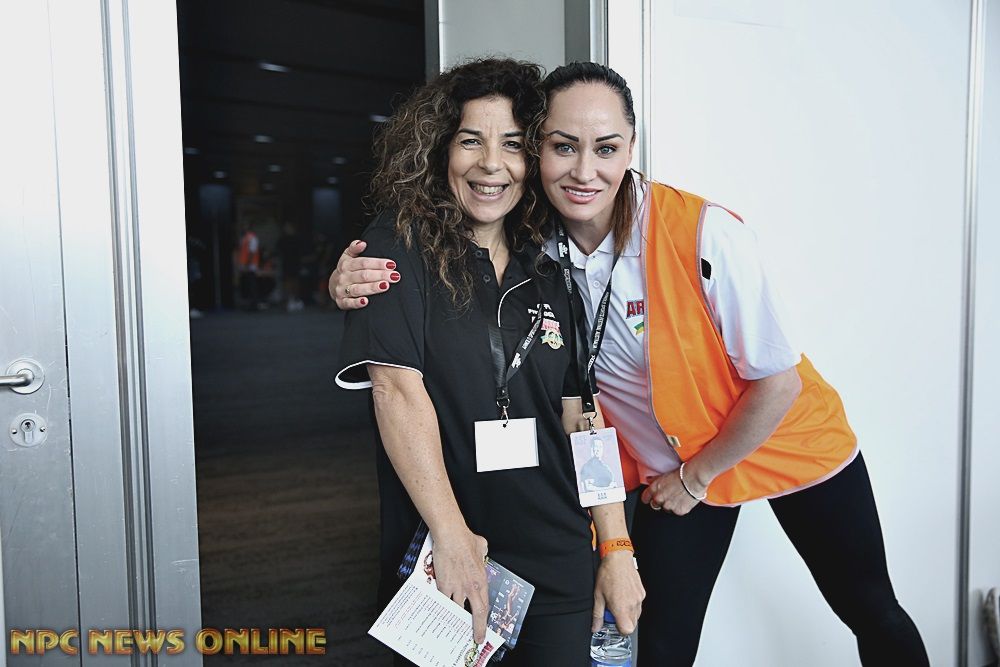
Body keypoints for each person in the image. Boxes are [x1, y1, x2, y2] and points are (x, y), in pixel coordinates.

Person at [329, 61, 929, 666]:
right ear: (541, 150)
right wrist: (347, 280)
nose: (583, 171)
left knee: (869, 606)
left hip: (776, 437)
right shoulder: (537, 239)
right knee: (661, 645)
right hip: (671, 463)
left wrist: (679, 493)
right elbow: (564, 401)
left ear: (631, 148)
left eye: (606, 148)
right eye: (563, 147)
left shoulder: (703, 233)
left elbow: (776, 384)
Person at [333, 58, 644, 666]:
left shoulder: (549, 263)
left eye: (513, 145)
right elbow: (396, 391)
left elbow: (584, 417)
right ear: (440, 150)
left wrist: (615, 546)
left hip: (557, 550)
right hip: (448, 552)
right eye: (470, 141)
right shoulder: (399, 248)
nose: (491, 164)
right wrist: (451, 537)